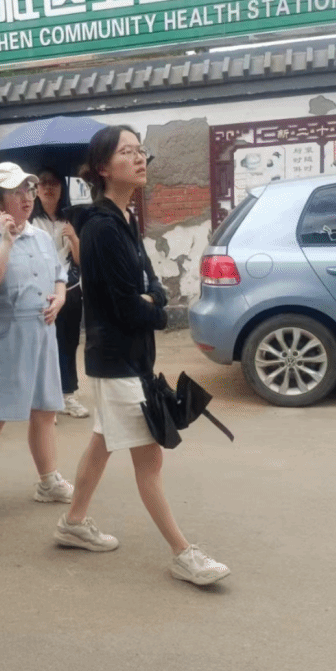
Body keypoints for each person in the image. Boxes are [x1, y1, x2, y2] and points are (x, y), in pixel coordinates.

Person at [52, 125, 231, 586]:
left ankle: (73, 522)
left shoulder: (125, 219)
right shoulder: (102, 229)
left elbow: (152, 284)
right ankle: (183, 554)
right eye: (127, 152)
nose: (139, 159)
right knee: (150, 461)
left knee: (101, 442)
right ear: (102, 168)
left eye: (140, 150)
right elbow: (125, 306)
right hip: (117, 362)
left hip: (129, 359)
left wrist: (151, 301)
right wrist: (155, 310)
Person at [0, 162, 74, 516]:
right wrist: (6, 243)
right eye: (16, 192)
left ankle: (48, 479)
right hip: (4, 335)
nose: (27, 198)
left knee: (44, 410)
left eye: (28, 190)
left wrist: (60, 297)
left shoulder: (40, 236)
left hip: (41, 333)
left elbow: (59, 275)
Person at [29, 167, 89, 419]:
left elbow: (81, 260)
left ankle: (67, 395)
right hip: (41, 292)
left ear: (61, 188)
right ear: (36, 190)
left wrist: (74, 237)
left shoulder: (71, 218)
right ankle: (47, 400)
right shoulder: (31, 220)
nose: (48, 188)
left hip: (70, 289)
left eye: (53, 183)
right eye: (43, 184)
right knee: (44, 344)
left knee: (68, 342)